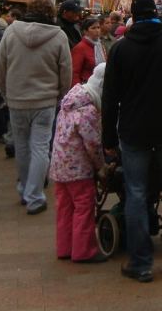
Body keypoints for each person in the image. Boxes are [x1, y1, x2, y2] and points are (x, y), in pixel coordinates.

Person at [101, 0, 162, 283]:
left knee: (137, 193)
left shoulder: (121, 49)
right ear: (155, 13)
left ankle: (141, 261)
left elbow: (110, 98)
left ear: (133, 15)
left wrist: (108, 137)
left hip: (133, 131)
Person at [0, 0, 72, 215]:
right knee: (40, 146)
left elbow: (0, 65)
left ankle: (24, 189)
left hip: (17, 98)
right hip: (45, 99)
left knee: (21, 146)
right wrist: (60, 95)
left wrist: (5, 93)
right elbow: (65, 70)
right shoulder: (58, 35)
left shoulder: (11, 31)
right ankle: (35, 196)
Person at [51, 62, 108, 263]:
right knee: (84, 207)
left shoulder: (70, 101)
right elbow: (92, 143)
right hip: (79, 168)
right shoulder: (89, 110)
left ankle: (65, 248)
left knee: (64, 207)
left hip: (59, 165)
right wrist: (101, 166)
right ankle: (84, 250)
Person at [70, 17, 101, 86]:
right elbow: (74, 73)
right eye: (93, 28)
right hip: (86, 87)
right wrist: (78, 90)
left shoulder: (100, 46)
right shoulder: (80, 48)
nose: (97, 30)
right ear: (85, 31)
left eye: (98, 27)